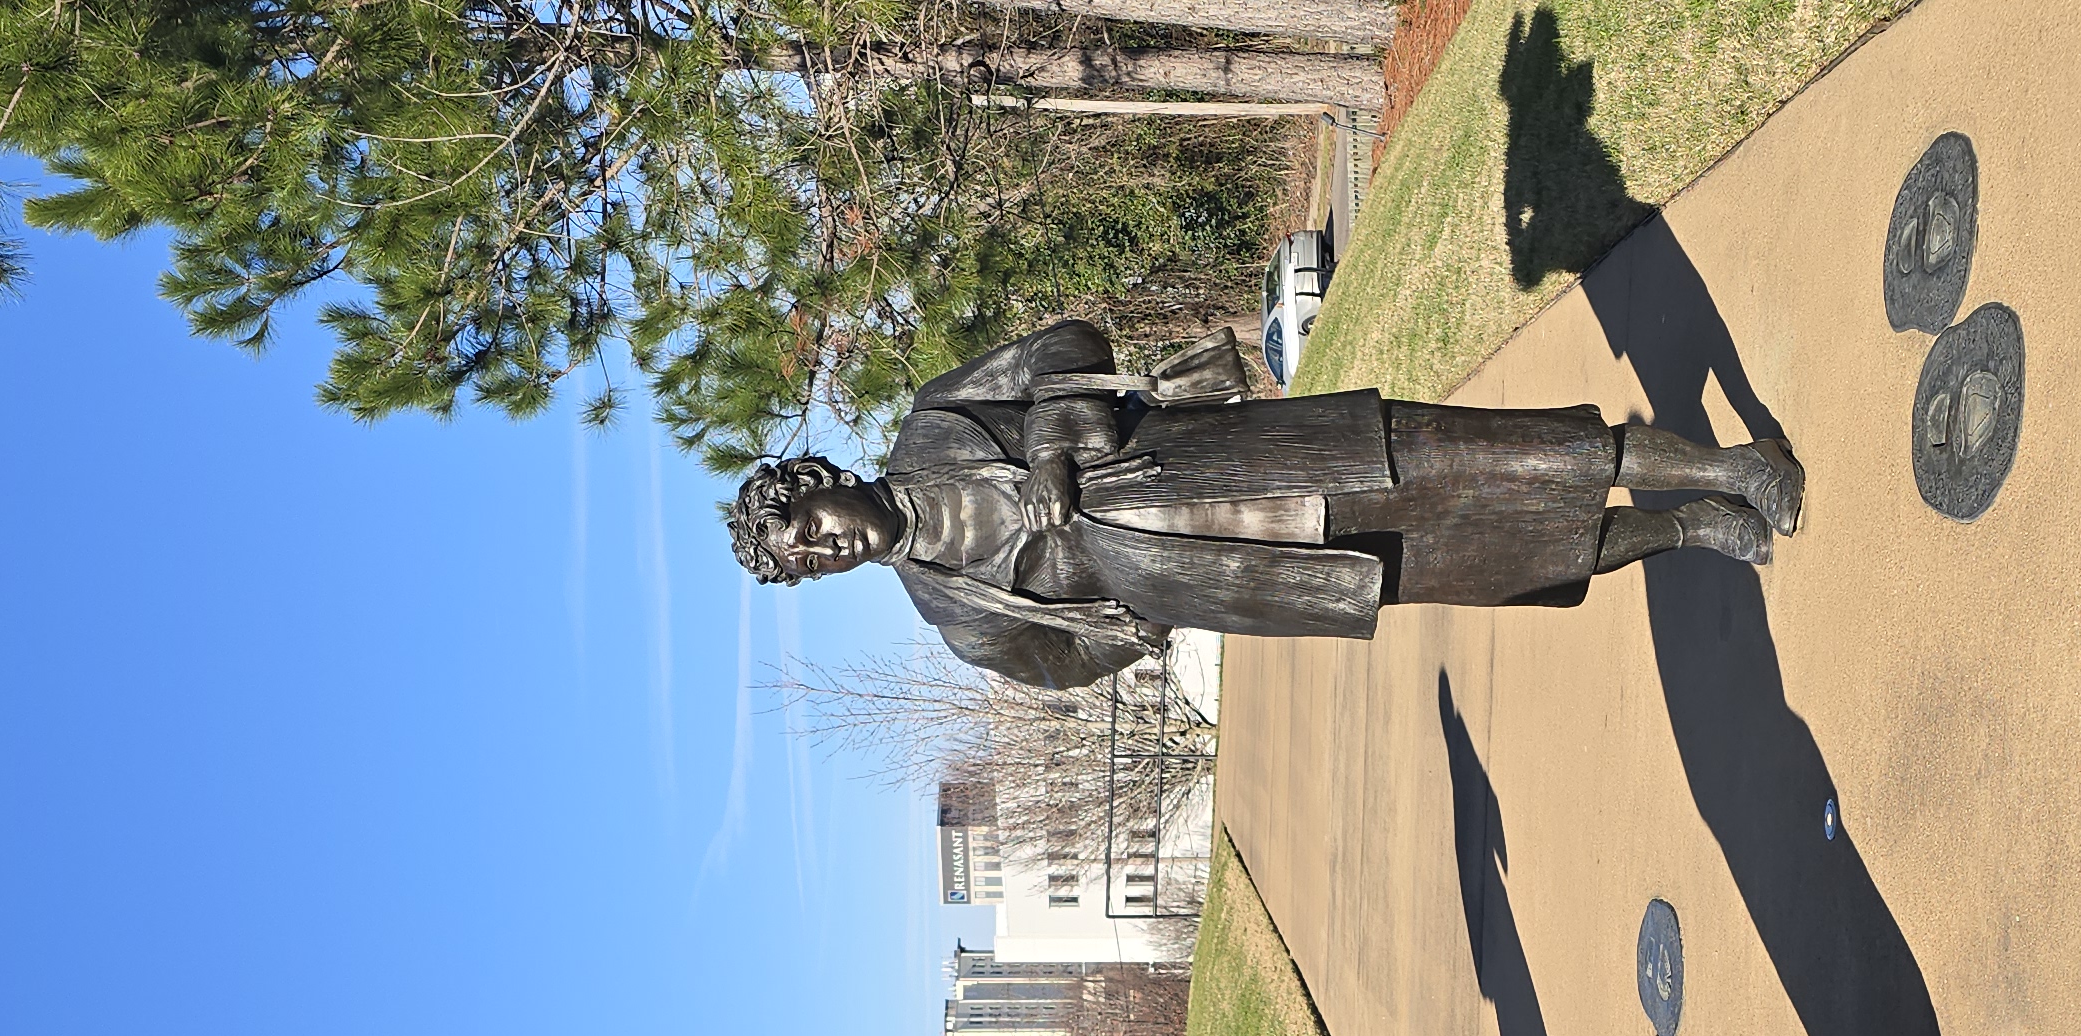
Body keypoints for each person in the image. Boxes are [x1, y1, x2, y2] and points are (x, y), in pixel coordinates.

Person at [725, 319, 1808, 686]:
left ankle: (1725, 469)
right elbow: (1063, 664)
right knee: (1502, 562)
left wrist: (1057, 448)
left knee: (1510, 457)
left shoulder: (937, 416)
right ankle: (1686, 529)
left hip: (1265, 456)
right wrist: (1134, 621)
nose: (823, 551)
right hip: (1256, 574)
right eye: (808, 564)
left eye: (807, 531)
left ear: (819, 484)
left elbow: (1067, 346)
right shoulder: (958, 617)